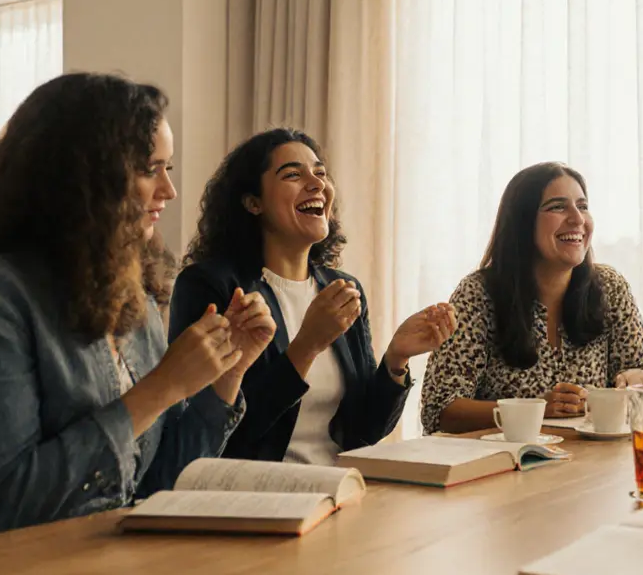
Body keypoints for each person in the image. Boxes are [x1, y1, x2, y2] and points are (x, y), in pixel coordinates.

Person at [0, 73, 272, 537]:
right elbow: (6, 503)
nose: (169, 191)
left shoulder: (137, 301)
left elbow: (160, 487)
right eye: (151, 169)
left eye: (168, 168)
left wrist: (226, 376)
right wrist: (162, 388)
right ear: (82, 178)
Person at [172, 128, 456, 464]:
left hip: (336, 487)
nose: (317, 183)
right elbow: (217, 433)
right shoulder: (210, 286)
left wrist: (395, 360)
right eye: (293, 174)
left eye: (320, 173)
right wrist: (306, 347)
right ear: (252, 202)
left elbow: (362, 432)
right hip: (253, 495)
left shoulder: (341, 289)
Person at [421, 162, 643, 434]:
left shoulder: (609, 288)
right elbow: (440, 409)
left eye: (582, 206)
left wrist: (639, 380)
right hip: (501, 467)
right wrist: (535, 408)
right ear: (523, 222)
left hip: (588, 467)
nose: (577, 219)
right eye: (558, 207)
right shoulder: (479, 294)